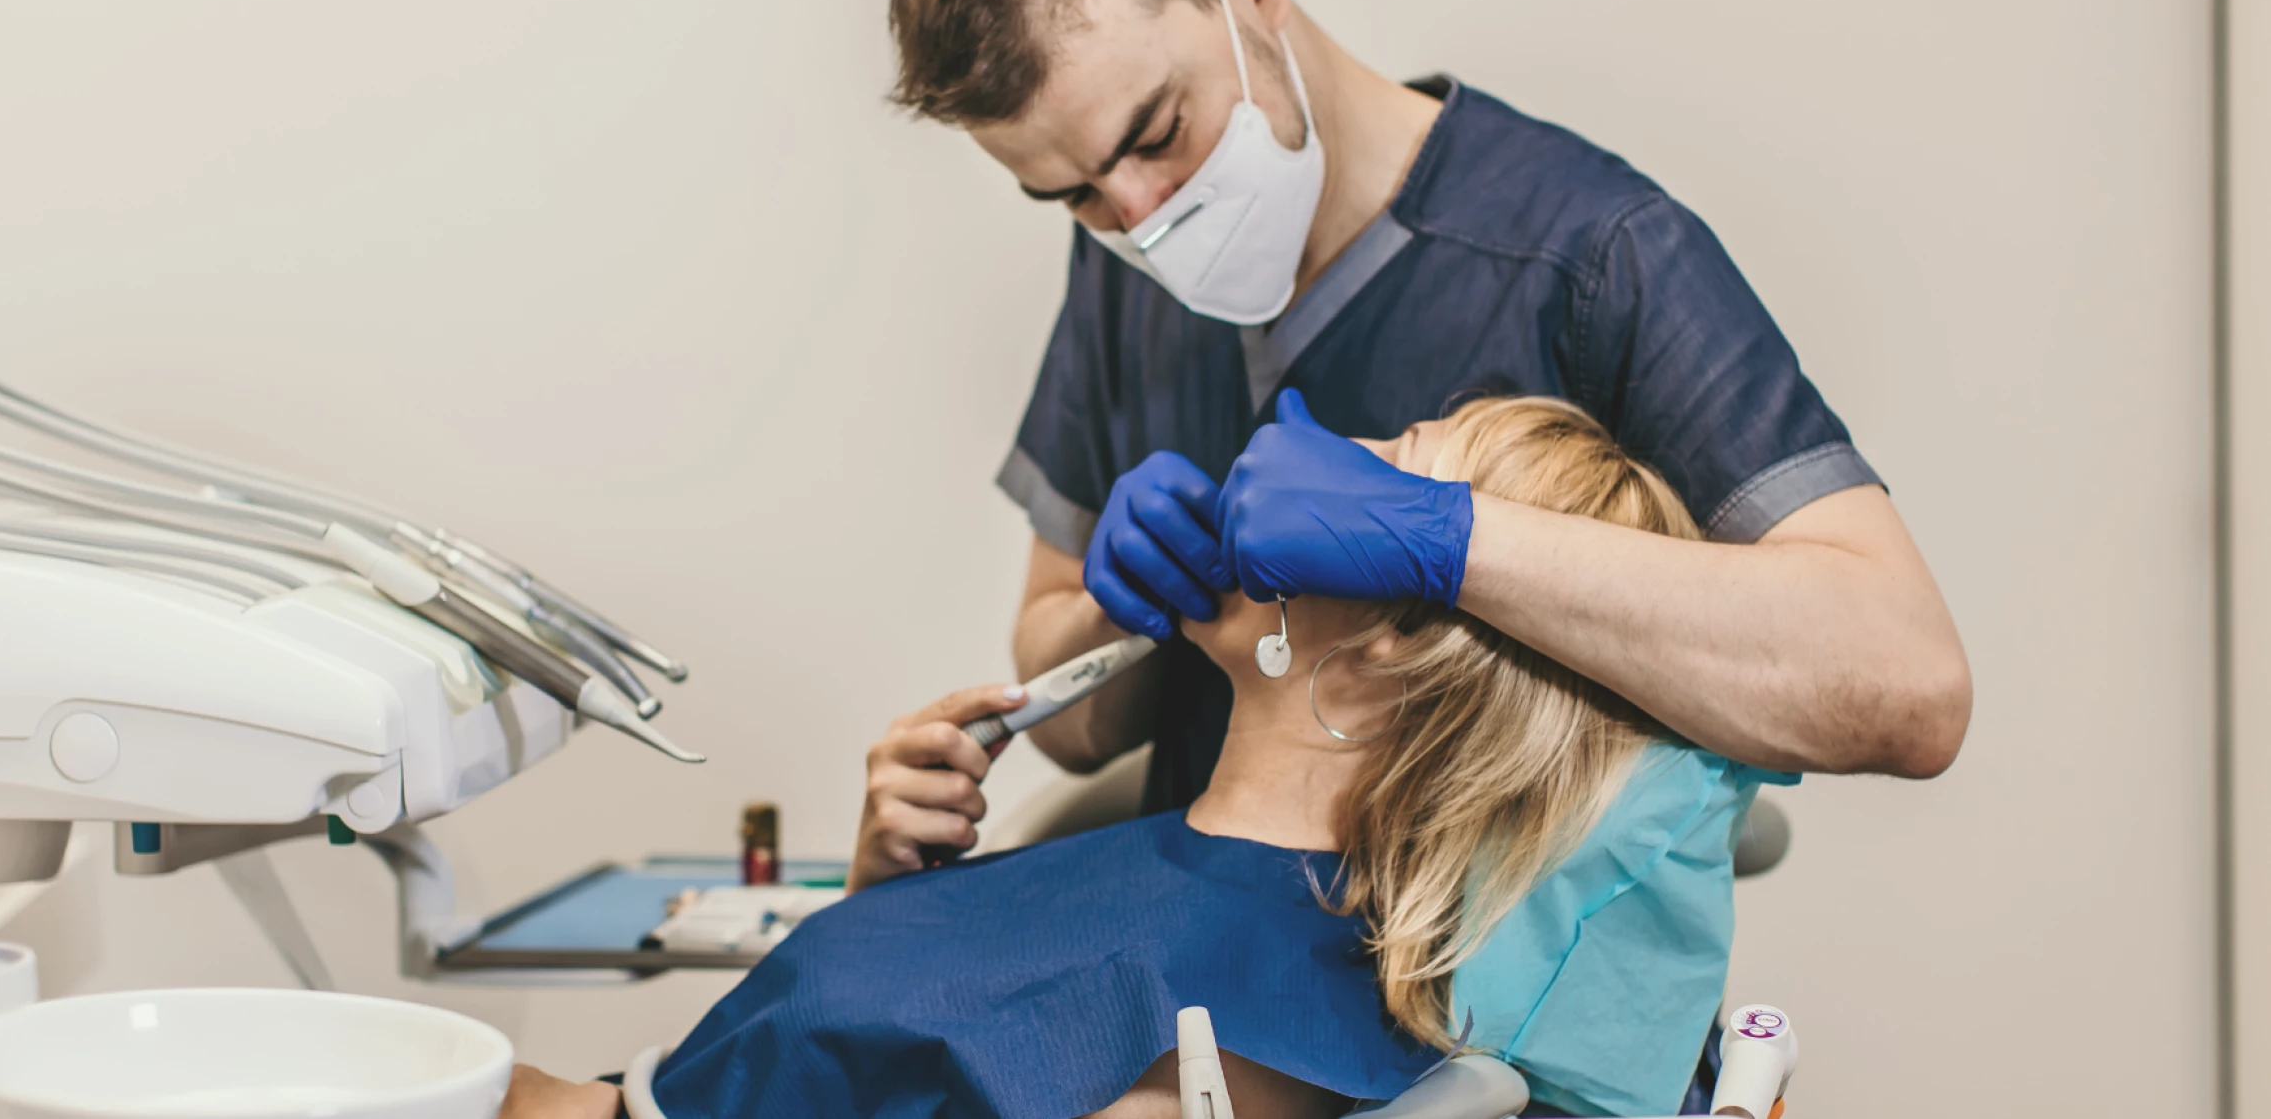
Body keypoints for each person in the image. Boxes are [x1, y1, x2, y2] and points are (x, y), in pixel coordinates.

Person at [885, 0, 1970, 810]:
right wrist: (1113, 611)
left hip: (1502, 1000)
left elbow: (1905, 682)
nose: (1138, 217)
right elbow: (1070, 723)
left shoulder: (1588, 254)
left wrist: (1450, 538)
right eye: (1071, 193)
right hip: (1203, 986)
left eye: (1160, 131)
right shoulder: (1124, 267)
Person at [501, 399, 1786, 1119]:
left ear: (1399, 631)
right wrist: (884, 902)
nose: (1300, 461)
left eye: (1375, 470)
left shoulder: (1208, 1042)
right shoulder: (1276, 939)